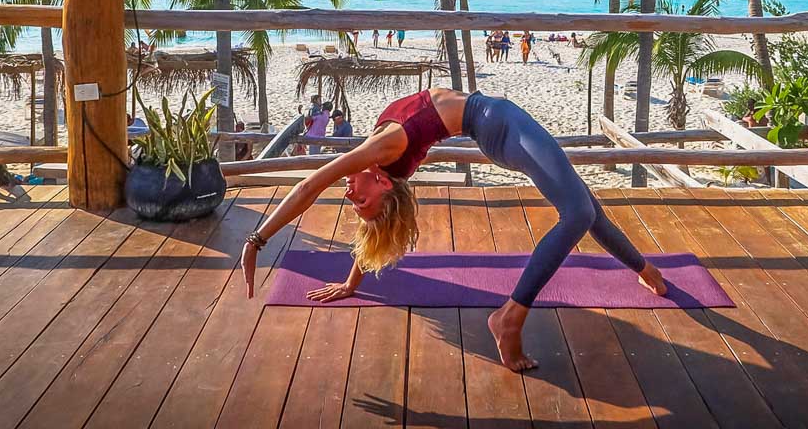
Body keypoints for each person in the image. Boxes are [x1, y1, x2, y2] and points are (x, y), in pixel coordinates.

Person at [241, 88, 665, 372]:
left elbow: (342, 204)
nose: (350, 194)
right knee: (576, 213)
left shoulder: (385, 164)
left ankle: (645, 270)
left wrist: (352, 282)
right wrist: (257, 239)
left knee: (585, 209)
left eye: (353, 201)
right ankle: (510, 317)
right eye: (362, 201)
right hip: (500, 124)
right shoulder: (381, 153)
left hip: (498, 129)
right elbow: (310, 185)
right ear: (383, 185)